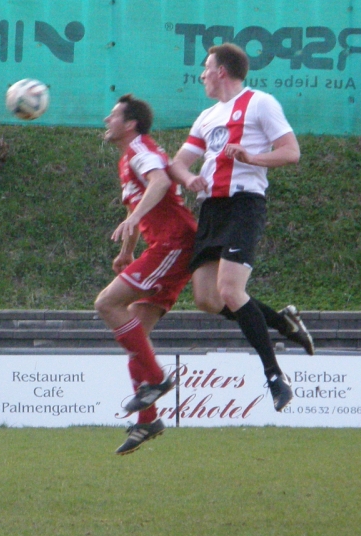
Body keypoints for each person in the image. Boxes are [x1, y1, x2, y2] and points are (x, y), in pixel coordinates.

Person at [169, 43, 314, 413]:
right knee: (207, 299)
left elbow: (291, 152)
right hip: (212, 209)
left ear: (221, 71)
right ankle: (282, 322)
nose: (201, 74)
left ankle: (275, 377)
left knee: (230, 291)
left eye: (206, 67)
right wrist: (188, 178)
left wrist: (252, 157)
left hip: (244, 204)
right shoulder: (206, 116)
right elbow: (178, 163)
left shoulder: (260, 103)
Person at [94, 94, 197, 455]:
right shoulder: (127, 159)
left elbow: (160, 182)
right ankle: (147, 420)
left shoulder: (140, 148)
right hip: (166, 245)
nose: (106, 120)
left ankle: (156, 379)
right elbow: (136, 207)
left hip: (174, 244)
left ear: (130, 124)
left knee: (107, 303)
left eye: (113, 115)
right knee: (136, 332)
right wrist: (127, 251)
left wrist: (136, 218)